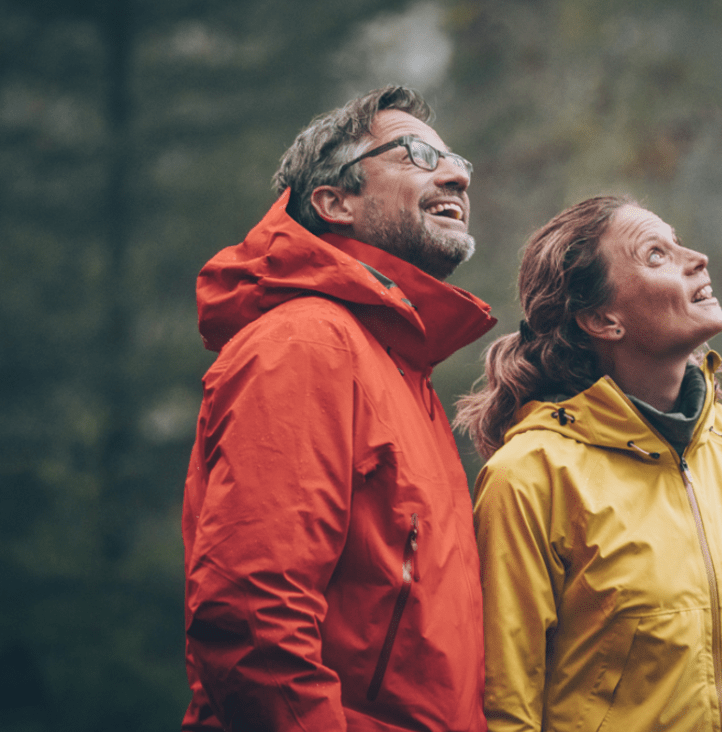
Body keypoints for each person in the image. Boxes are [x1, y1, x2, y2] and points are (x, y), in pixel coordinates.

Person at [181, 85, 494, 732]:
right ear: (334, 201)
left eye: (457, 160)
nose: (458, 174)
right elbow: (253, 614)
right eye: (415, 154)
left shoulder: (403, 372)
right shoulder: (305, 345)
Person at [457, 196, 722, 732]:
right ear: (601, 318)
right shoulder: (530, 475)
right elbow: (506, 705)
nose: (697, 258)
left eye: (679, 243)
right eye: (656, 255)